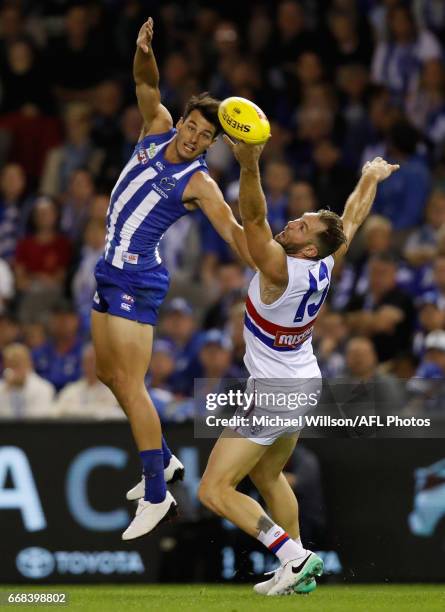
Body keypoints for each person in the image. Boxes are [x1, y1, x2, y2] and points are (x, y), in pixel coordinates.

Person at [198, 143, 399, 597]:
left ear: (308, 247)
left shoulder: (279, 272)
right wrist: (369, 178)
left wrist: (249, 163)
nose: (293, 222)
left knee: (213, 490)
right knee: (267, 476)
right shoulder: (325, 260)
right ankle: (299, 567)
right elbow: (353, 218)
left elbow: (251, 221)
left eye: (302, 224)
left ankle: (293, 556)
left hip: (276, 389)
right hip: (303, 380)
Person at [90, 17, 254, 541]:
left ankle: (158, 492)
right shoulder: (156, 125)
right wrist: (144, 50)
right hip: (109, 267)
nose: (195, 138)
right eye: (194, 127)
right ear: (181, 120)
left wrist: (266, 257)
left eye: (207, 137)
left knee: (133, 385)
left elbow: (230, 230)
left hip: (138, 279)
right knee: (107, 375)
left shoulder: (200, 181)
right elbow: (145, 83)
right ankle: (164, 460)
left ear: (211, 144)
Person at [0, 343, 55, 419]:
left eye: (17, 364)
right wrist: (5, 390)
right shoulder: (1, 389)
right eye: (10, 365)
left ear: (29, 364)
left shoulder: (44, 388)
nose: (13, 370)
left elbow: (39, 421)